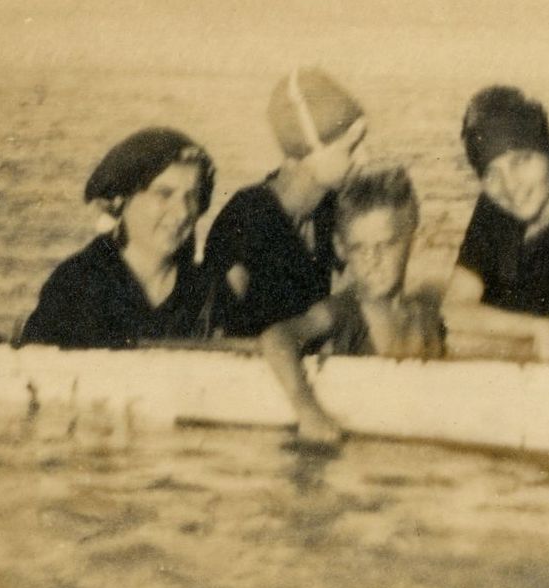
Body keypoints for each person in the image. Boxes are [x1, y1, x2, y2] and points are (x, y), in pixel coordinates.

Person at [261, 166, 443, 448]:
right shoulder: (345, 311)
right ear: (341, 248)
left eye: (386, 245)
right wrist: (308, 411)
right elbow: (276, 338)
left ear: (414, 241)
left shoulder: (426, 317)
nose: (373, 261)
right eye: (359, 248)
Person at [22, 128, 236, 349]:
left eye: (192, 196)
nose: (182, 212)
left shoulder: (210, 291)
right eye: (164, 193)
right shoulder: (76, 285)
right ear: (120, 199)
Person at [201, 67, 368, 337]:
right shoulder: (246, 221)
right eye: (351, 148)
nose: (364, 158)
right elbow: (217, 333)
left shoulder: (327, 208)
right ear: (308, 151)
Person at [442, 86, 549, 361]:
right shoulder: (495, 211)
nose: (510, 186)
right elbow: (452, 311)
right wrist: (537, 328)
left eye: (521, 161)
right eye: (492, 173)